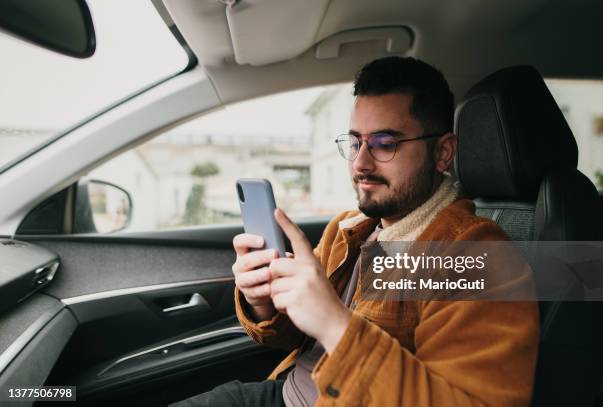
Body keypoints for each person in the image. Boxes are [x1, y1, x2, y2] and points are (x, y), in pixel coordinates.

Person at [170, 56, 539, 406]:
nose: (360, 163)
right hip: (283, 392)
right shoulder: (349, 230)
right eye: (355, 142)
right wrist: (264, 300)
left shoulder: (474, 257)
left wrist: (335, 323)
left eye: (385, 144)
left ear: (442, 153)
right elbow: (297, 336)